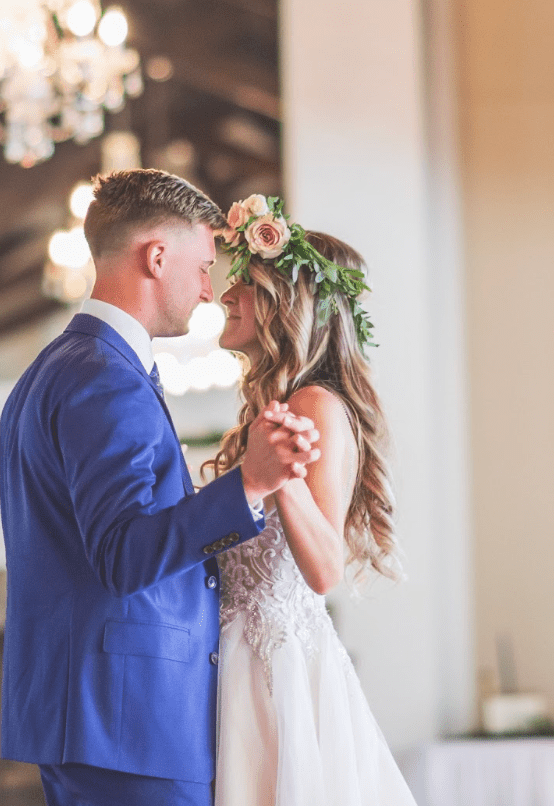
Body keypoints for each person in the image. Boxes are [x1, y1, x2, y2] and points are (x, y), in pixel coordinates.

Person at [0, 170, 323, 806]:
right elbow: (121, 554)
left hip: (94, 718)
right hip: (129, 719)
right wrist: (251, 482)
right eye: (204, 267)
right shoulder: (104, 377)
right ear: (156, 256)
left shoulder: (59, 366)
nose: (208, 291)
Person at [207, 195, 417, 805]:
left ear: (287, 303)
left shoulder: (315, 405)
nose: (224, 295)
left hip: (280, 676)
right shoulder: (276, 406)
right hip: (246, 660)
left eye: (243, 286)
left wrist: (274, 473)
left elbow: (323, 569)